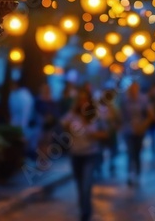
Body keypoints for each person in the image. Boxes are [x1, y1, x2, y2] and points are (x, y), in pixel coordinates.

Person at [62, 87, 108, 221]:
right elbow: (64, 125)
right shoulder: (73, 114)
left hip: (90, 154)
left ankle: (86, 213)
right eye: (80, 99)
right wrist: (68, 127)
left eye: (85, 99)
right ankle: (83, 207)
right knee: (79, 184)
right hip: (76, 154)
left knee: (86, 185)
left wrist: (94, 135)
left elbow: (105, 133)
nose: (82, 102)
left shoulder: (96, 114)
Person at [120, 81, 155, 186]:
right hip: (128, 130)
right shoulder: (125, 100)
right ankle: (130, 174)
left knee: (137, 153)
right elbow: (121, 116)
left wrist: (143, 126)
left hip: (140, 130)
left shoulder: (143, 99)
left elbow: (150, 115)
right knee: (130, 152)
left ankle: (138, 174)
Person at [95, 88, 121, 177]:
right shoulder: (98, 106)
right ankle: (99, 167)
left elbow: (118, 119)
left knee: (113, 150)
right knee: (100, 150)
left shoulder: (113, 106)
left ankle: (112, 165)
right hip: (101, 131)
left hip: (110, 131)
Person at [35, 83, 61, 156]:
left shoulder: (52, 101)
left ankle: (45, 157)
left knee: (47, 141)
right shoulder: (38, 100)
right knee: (40, 141)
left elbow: (56, 112)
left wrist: (51, 117)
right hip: (40, 123)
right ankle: (40, 157)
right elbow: (36, 111)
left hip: (50, 124)